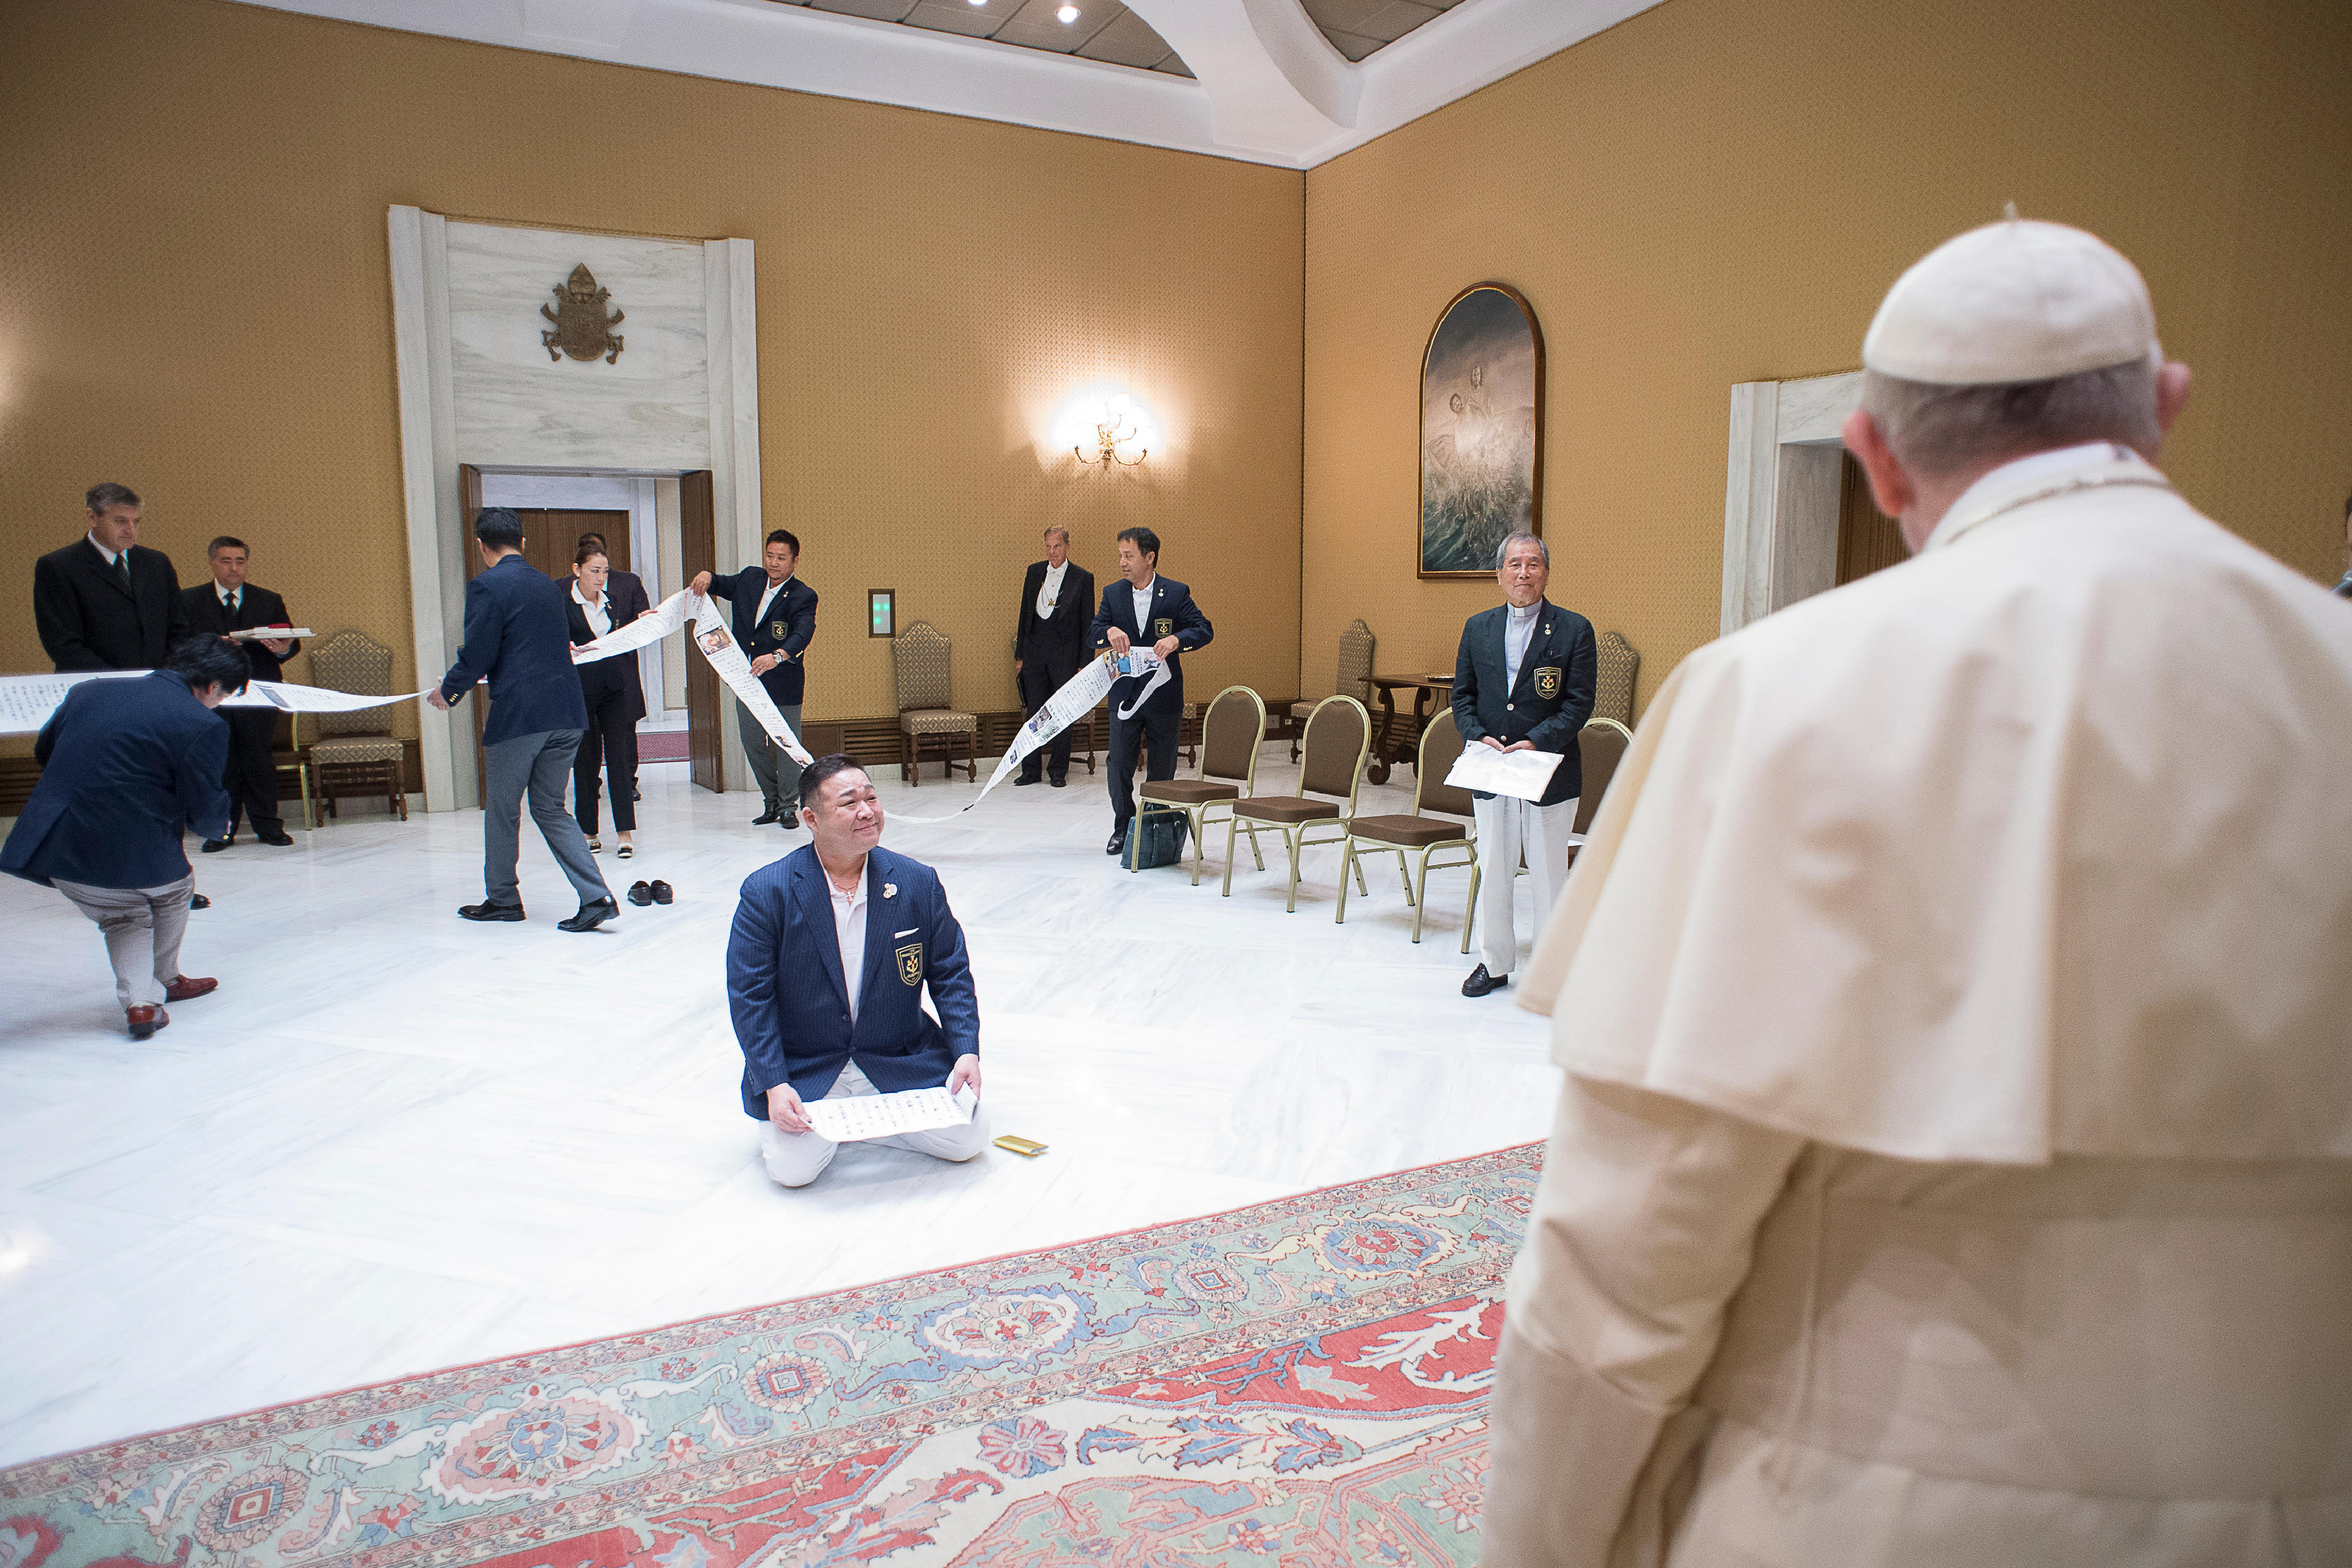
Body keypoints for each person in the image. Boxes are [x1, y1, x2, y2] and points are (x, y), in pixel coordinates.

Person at [1479, 219, 2352, 1567]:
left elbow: (1626, 1249)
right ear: (2165, 407)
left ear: (1874, 455)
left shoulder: (1763, 696)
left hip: (1870, 1511)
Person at [725, 753, 988, 1189]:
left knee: (968, 1141)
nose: (867, 811)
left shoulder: (917, 881)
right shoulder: (767, 891)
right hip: (808, 1062)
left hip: (895, 1054)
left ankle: (861, 1124)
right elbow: (751, 998)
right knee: (793, 1172)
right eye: (849, 803)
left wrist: (965, 1051)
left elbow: (951, 973)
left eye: (872, 798)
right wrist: (774, 1083)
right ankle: (861, 1122)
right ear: (811, 818)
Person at [1, 637, 246, 1038]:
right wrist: (218, 828)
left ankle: (145, 1003)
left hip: (56, 843)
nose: (219, 703)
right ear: (214, 686)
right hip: (136, 852)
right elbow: (204, 801)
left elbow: (46, 750)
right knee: (171, 892)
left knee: (124, 914)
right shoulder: (202, 724)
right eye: (225, 695)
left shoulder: (88, 691)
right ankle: (161, 984)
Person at [428, 507, 619, 932]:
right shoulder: (549, 585)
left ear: (482, 546)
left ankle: (503, 900)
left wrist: (450, 691)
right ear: (522, 542)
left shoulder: (486, 586)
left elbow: (479, 653)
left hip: (520, 715)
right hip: (567, 711)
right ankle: (597, 896)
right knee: (550, 807)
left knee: (502, 809)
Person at [1449, 533, 1596, 998]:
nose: (1523, 573)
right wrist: (1477, 734)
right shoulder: (1478, 628)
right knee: (1494, 866)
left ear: (1546, 573)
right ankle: (1493, 963)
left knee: (1549, 871)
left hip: (1548, 769)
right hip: (1492, 767)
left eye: (1533, 564)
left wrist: (1537, 740)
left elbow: (1579, 703)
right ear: (1499, 574)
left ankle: (1552, 969)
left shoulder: (1574, 629)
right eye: (1514, 564)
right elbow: (1462, 696)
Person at [1089, 526, 1212, 856]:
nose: (1122, 562)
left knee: (1162, 768)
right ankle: (1123, 827)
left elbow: (1204, 629)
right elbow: (1093, 632)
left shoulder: (1176, 593)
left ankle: (1154, 828)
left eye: (1129, 556)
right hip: (1125, 697)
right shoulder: (1113, 593)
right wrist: (1109, 631)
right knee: (1118, 764)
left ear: (1149, 557)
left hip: (1163, 697)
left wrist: (1177, 640)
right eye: (1121, 556)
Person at [690, 529, 817, 829]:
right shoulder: (750, 578)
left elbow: (803, 633)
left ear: (795, 561)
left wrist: (778, 656)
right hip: (747, 681)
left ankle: (788, 806)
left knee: (785, 746)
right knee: (752, 741)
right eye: (770, 555)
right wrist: (707, 576)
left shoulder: (803, 595)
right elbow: (720, 583)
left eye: (781, 558)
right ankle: (771, 801)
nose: (774, 563)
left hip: (783, 681)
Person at [180, 536, 300, 849]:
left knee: (259, 761)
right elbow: (179, 647)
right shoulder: (188, 601)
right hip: (211, 695)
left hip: (256, 692)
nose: (234, 568)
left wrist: (282, 649)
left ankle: (269, 827)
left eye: (240, 561)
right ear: (212, 563)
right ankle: (221, 830)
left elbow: (290, 642)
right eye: (226, 561)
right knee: (220, 763)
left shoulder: (268, 600)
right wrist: (213, 645)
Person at [33, 482, 190, 672]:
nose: (130, 530)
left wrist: (161, 676)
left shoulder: (157, 563)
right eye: (120, 521)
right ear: (92, 517)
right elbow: (63, 644)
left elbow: (179, 630)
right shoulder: (59, 566)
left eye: (135, 522)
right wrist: (117, 681)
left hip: (157, 681)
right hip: (94, 683)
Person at [566, 542, 647, 856]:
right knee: (586, 762)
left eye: (605, 572)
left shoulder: (612, 603)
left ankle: (624, 832)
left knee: (620, 761)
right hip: (581, 692)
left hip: (614, 689)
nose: (600, 578)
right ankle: (589, 831)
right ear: (577, 570)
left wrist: (646, 622)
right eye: (594, 571)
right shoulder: (565, 603)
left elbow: (629, 635)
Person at [1013, 526, 1096, 788]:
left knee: (1062, 713)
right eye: (1048, 547)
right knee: (1034, 713)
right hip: (1035, 653)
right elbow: (1025, 614)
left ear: (1067, 546)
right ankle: (1030, 771)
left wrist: (1084, 663)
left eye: (1057, 546)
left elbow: (1088, 623)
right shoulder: (1034, 572)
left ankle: (1058, 770)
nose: (1052, 552)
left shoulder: (1082, 578)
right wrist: (1020, 655)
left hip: (1066, 656)